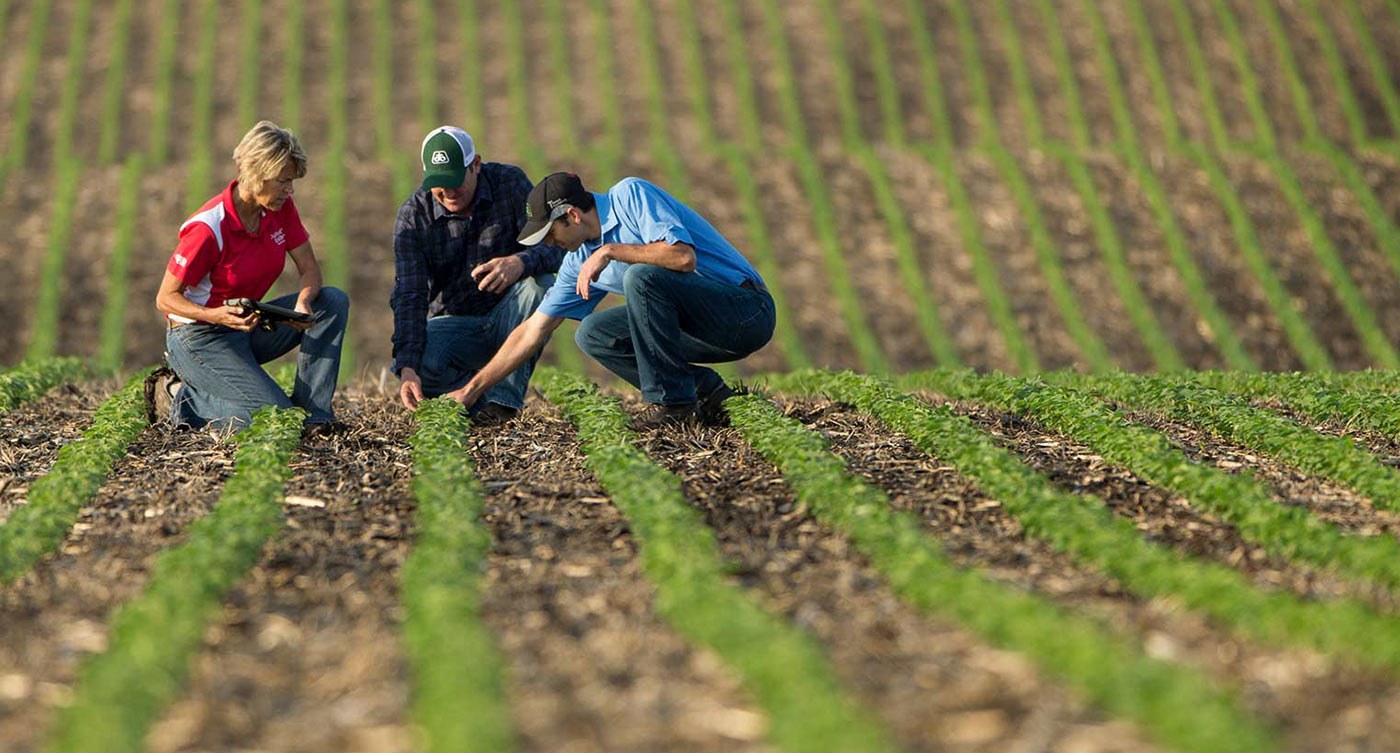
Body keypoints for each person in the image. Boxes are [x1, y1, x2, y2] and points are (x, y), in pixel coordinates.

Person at [448, 171, 775, 428]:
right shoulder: (578, 260)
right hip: (696, 331)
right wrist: (472, 390)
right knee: (592, 333)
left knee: (641, 276)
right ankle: (708, 393)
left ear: (572, 216)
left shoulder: (631, 196)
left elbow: (683, 258)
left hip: (745, 313)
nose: (548, 243)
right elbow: (533, 330)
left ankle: (674, 405)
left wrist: (612, 250)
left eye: (550, 233)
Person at [149, 120, 349, 433]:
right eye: (283, 181)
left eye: (291, 181)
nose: (290, 189)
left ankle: (315, 415)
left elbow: (309, 268)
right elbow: (165, 298)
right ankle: (183, 398)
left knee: (332, 301)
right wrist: (216, 315)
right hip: (199, 338)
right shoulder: (208, 228)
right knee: (275, 419)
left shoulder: (280, 209)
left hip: (246, 325)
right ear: (257, 174)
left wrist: (303, 303)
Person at [389, 126, 565, 423]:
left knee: (541, 287)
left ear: (476, 165)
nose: (448, 193)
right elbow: (409, 294)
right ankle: (478, 397)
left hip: (511, 315)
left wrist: (520, 262)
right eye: (439, 185)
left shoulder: (510, 185)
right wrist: (407, 366)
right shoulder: (413, 215)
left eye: (455, 181)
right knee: (423, 362)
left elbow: (560, 246)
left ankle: (502, 404)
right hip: (455, 324)